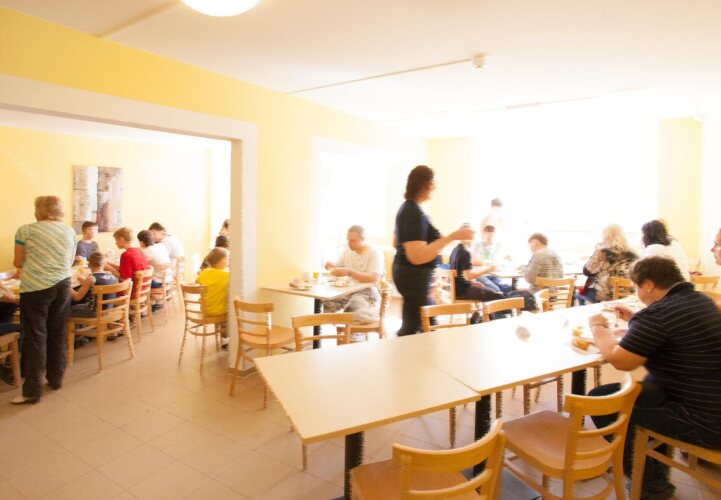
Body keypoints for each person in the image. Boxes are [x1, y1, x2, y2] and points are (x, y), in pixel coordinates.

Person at [587, 257, 721, 499]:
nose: (637, 293)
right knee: (650, 388)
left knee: (603, 403)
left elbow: (620, 360)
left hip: (707, 424)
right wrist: (635, 320)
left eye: (636, 287)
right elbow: (672, 331)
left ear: (648, 285)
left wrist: (598, 327)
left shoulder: (657, 314)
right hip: (709, 402)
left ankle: (652, 486)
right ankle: (654, 471)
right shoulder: (700, 300)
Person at [392, 165, 474, 336]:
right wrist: (452, 236)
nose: (434, 187)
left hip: (410, 275)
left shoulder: (408, 209)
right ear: (424, 184)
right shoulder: (413, 212)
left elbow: (396, 242)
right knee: (416, 326)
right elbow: (416, 256)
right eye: (432, 183)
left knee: (421, 322)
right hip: (413, 276)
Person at [12, 196, 76, 404]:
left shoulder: (26, 230)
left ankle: (32, 391)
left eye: (35, 208)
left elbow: (18, 262)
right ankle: (56, 379)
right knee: (57, 332)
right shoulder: (69, 231)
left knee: (35, 337)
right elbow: (69, 261)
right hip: (63, 285)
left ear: (41, 210)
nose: (34, 212)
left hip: (35, 288)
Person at [323, 225, 384, 324]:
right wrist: (331, 266)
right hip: (348, 289)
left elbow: (374, 278)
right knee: (326, 304)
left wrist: (350, 272)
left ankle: (352, 330)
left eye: (353, 240)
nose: (349, 243)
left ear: (363, 239)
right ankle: (339, 330)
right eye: (348, 240)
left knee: (352, 311)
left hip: (368, 291)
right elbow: (338, 265)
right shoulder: (347, 249)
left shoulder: (374, 251)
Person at [581, 224, 638, 303]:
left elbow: (587, 271)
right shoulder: (633, 253)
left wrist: (595, 253)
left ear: (605, 236)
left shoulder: (602, 252)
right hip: (627, 295)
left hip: (606, 295)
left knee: (580, 295)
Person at [448, 239, 504, 306]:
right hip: (463, 291)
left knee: (493, 291)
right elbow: (468, 276)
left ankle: (482, 312)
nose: (473, 239)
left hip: (457, 290)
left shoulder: (455, 250)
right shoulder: (465, 252)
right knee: (498, 296)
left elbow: (459, 274)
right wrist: (487, 270)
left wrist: (473, 282)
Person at [69, 251, 118, 317]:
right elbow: (92, 285)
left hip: (95, 312)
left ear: (89, 264)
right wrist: (83, 281)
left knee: (66, 310)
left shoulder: (91, 278)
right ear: (104, 264)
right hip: (109, 310)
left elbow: (77, 297)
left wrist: (67, 286)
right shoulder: (112, 277)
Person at [107, 227, 149, 297]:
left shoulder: (126, 255)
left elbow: (124, 279)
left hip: (130, 292)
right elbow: (128, 270)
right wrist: (110, 264)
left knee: (103, 290)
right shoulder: (139, 251)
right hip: (142, 290)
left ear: (121, 239)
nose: (115, 243)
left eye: (116, 240)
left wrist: (109, 268)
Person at [471, 225, 512, 295]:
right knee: (496, 290)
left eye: (493, 237)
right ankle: (499, 295)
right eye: (489, 238)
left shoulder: (499, 245)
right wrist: (487, 263)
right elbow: (474, 261)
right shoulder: (478, 244)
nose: (491, 239)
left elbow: (504, 259)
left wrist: (506, 259)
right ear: (483, 236)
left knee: (507, 289)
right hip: (481, 275)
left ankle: (503, 297)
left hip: (495, 275)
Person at [196, 247, 230, 318]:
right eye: (227, 259)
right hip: (219, 311)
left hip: (204, 310)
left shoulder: (204, 273)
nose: (228, 261)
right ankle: (222, 325)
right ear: (219, 260)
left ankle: (219, 325)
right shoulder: (226, 275)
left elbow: (197, 280)